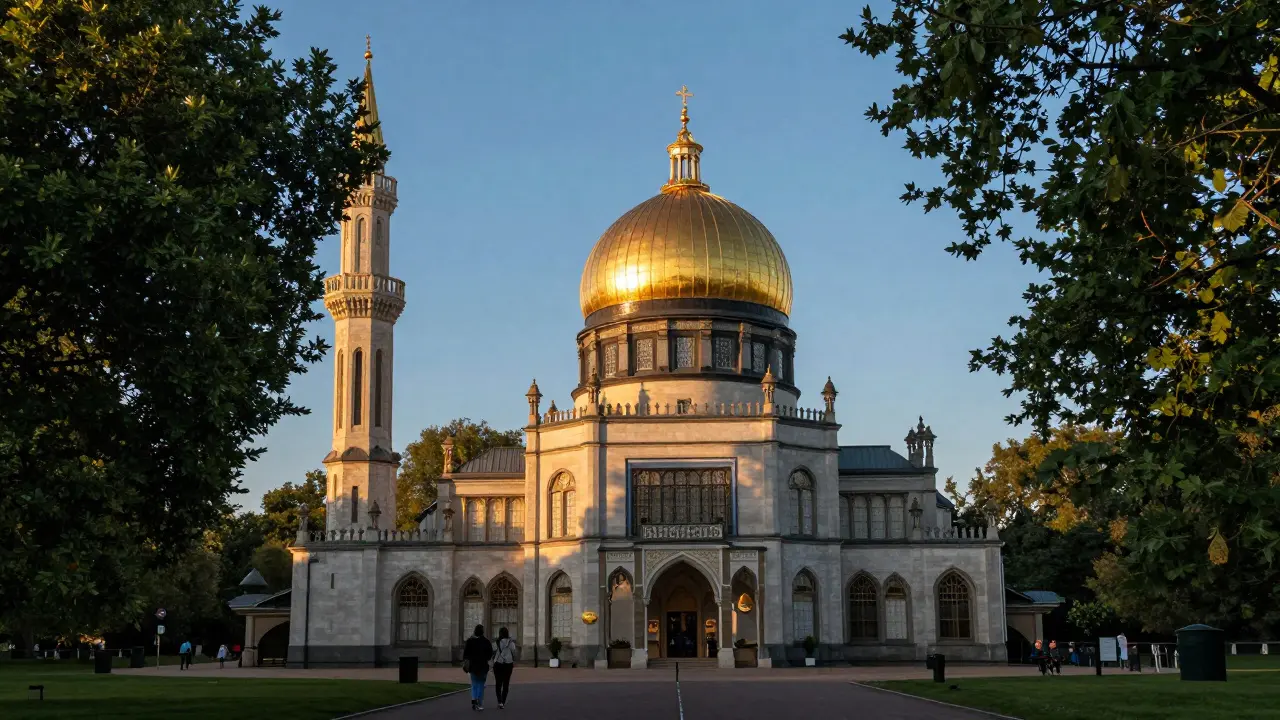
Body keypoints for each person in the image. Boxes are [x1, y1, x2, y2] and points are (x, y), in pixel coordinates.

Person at [463, 624, 493, 711]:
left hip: (473, 666)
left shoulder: (469, 641)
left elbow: (465, 655)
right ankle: (479, 704)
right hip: (483, 666)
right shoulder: (486, 642)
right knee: (481, 685)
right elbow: (489, 655)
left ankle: (473, 699)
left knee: (474, 684)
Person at [491, 626, 518, 710]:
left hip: (498, 664)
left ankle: (499, 701)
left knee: (498, 683)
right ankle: (503, 701)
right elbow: (514, 653)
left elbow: (493, 652)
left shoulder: (496, 643)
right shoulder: (511, 643)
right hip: (508, 664)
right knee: (506, 683)